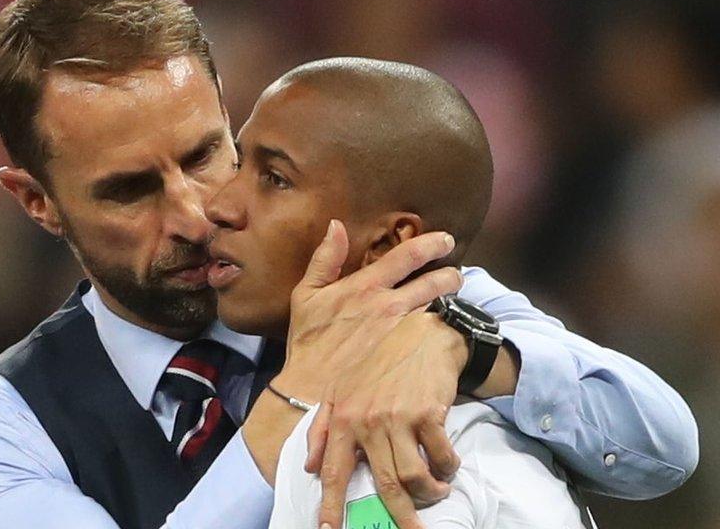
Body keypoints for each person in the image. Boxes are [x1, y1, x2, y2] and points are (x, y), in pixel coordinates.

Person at [0, 0, 698, 529]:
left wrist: (468, 349)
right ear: (36, 201)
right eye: (131, 190)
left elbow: (662, 446)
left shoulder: (398, 291)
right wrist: (298, 394)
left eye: (203, 156)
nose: (196, 214)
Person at [203, 57, 608, 527]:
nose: (220, 205)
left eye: (276, 179)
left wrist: (466, 348)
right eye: (238, 163)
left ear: (389, 244)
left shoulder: (436, 454)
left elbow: (672, 441)